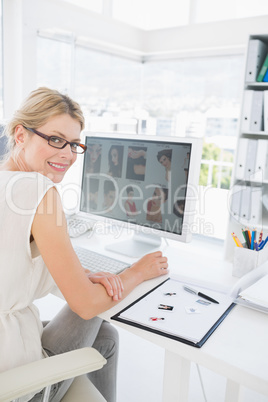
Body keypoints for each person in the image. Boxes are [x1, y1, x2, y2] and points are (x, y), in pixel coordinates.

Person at [0, 87, 169, 402]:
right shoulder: (37, 190)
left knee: (107, 334)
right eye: (55, 139)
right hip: (15, 382)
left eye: (74, 144)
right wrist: (136, 272)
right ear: (20, 135)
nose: (66, 154)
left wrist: (81, 273)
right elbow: (86, 305)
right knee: (97, 315)